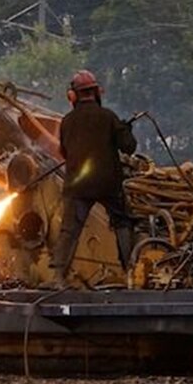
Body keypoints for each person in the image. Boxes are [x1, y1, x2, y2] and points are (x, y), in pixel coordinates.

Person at [49, 70, 137, 287]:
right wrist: (125, 129)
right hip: (108, 183)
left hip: (77, 185)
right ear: (96, 92)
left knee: (69, 230)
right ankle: (131, 275)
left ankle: (58, 277)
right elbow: (129, 147)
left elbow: (64, 153)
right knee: (122, 223)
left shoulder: (67, 122)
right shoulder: (108, 117)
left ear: (73, 96)